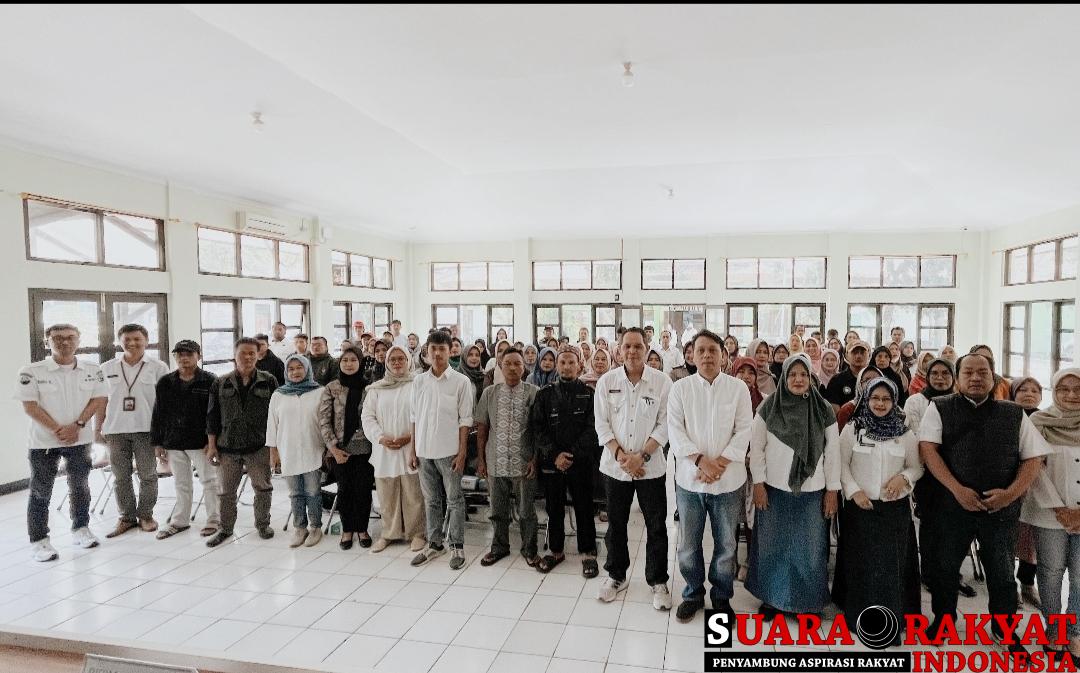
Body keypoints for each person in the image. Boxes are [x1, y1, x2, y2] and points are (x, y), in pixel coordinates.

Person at [918, 353, 1051, 645]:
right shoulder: (939, 406)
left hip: (1000, 509)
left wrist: (1010, 494)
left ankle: (1003, 628)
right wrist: (956, 489)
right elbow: (928, 450)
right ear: (957, 378)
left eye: (982, 372)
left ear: (993, 378)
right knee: (945, 568)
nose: (976, 378)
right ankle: (943, 621)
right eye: (968, 372)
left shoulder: (1013, 413)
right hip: (952, 505)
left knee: (1002, 573)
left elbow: (1033, 458)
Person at [747, 354, 840, 620]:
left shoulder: (823, 409)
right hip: (774, 489)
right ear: (784, 378)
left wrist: (832, 490)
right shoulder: (769, 407)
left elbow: (833, 452)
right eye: (792, 375)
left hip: (812, 491)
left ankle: (807, 604)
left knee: (809, 549)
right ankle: (772, 599)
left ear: (811, 378)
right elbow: (757, 449)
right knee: (772, 545)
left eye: (803, 375)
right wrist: (758, 484)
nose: (798, 379)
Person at [668, 331, 753, 622]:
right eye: (700, 350)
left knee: (726, 545)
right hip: (690, 481)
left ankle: (721, 597)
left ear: (723, 356)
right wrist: (702, 462)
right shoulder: (680, 389)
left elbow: (744, 430)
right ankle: (692, 594)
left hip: (728, 481)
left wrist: (720, 463)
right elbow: (675, 431)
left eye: (712, 350)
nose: (706, 355)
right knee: (688, 545)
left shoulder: (738, 388)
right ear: (691, 356)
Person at [834, 377, 922, 638]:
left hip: (894, 511)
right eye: (875, 398)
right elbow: (841, 464)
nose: (880, 403)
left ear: (894, 402)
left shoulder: (904, 433)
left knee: (891, 567)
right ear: (866, 399)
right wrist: (854, 491)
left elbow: (916, 467)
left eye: (886, 399)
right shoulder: (853, 429)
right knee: (863, 564)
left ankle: (892, 617)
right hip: (860, 508)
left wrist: (903, 478)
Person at [594, 328, 673, 610]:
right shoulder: (607, 382)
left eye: (638, 346)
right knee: (616, 523)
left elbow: (665, 425)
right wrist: (622, 456)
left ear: (647, 348)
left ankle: (658, 580)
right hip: (615, 468)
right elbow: (601, 424)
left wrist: (641, 456)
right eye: (626, 346)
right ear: (618, 350)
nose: (632, 351)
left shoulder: (662, 382)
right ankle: (616, 575)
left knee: (656, 525)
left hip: (650, 468)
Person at [16, 323, 108, 561]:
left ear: (78, 341)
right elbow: (30, 406)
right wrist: (59, 429)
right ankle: (39, 541)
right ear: (47, 342)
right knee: (41, 491)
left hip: (80, 439)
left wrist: (77, 425)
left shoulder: (92, 369)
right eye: (57, 338)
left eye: (70, 337)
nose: (64, 342)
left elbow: (98, 399)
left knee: (80, 486)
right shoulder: (32, 371)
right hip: (44, 442)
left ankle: (81, 528)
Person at [1024, 369, 1080, 658]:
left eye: (1078, 389)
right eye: (1063, 389)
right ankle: (1054, 629)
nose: (1071, 395)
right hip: (1049, 512)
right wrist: (1061, 510)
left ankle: (1075, 632)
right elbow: (1034, 471)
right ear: (1054, 391)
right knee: (1051, 571)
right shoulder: (1039, 422)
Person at [97, 323, 171, 537]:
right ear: (119, 342)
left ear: (146, 341)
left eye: (137, 339)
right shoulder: (107, 368)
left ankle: (146, 515)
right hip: (115, 430)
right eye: (127, 339)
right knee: (121, 477)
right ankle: (126, 517)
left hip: (147, 430)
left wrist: (163, 434)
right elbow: (100, 401)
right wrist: (97, 429)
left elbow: (165, 403)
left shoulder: (158, 367)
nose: (132, 343)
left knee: (148, 475)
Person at [409, 331, 475, 570]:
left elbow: (465, 420)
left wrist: (462, 452)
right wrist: (412, 450)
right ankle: (435, 544)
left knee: (454, 500)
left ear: (450, 351)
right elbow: (414, 417)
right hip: (424, 451)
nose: (437, 353)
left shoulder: (461, 381)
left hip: (450, 452)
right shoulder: (418, 381)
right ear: (426, 351)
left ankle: (456, 545)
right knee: (431, 501)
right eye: (433, 349)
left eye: (442, 349)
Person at [532, 348, 600, 577]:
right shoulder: (545, 394)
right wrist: (555, 455)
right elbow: (538, 429)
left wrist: (571, 455)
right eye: (562, 362)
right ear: (556, 366)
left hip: (580, 462)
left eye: (571, 362)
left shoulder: (589, 394)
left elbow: (593, 428)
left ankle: (588, 552)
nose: (567, 366)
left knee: (584, 507)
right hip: (553, 462)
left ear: (579, 365)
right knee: (554, 508)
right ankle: (556, 551)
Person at [205, 337, 279, 547]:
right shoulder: (221, 382)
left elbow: (277, 415)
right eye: (243, 353)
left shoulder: (269, 380)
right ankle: (226, 529)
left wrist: (275, 448)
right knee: (226, 492)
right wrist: (212, 446)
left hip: (259, 445)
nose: (247, 357)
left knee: (262, 488)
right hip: (228, 447)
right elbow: (212, 416)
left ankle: (263, 524)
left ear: (258, 356)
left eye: (251, 353)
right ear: (234, 356)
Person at [475, 348, 540, 567]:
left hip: (524, 463)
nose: (512, 368)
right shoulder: (490, 393)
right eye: (507, 364)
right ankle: (499, 547)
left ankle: (529, 549)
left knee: (526, 511)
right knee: (497, 510)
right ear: (500, 367)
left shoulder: (534, 393)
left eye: (517, 364)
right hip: (496, 460)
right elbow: (482, 429)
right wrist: (482, 460)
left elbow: (539, 431)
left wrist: (535, 459)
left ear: (524, 367)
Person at [151, 340, 220, 539]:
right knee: (181, 483)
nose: (184, 358)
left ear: (198, 356)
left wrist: (213, 442)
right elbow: (158, 413)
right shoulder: (166, 382)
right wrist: (157, 442)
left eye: (189, 354)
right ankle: (180, 521)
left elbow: (215, 414)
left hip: (201, 442)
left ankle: (214, 519)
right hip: (173, 440)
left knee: (209, 481)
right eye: (180, 354)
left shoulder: (209, 380)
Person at [362, 345, 425, 553]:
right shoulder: (376, 389)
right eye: (392, 360)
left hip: (411, 447)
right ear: (386, 363)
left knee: (413, 493)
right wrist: (380, 438)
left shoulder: (418, 384)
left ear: (409, 361)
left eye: (401, 358)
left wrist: (410, 437)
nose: (397, 363)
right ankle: (389, 533)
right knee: (387, 495)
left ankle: (417, 533)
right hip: (385, 450)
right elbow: (367, 417)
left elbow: (424, 415)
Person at [320, 346, 377, 550]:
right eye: (345, 360)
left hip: (365, 448)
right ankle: (347, 529)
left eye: (353, 360)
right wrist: (333, 448)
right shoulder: (332, 387)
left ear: (360, 362)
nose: (349, 364)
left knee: (363, 489)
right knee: (345, 490)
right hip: (340, 449)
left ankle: (362, 529)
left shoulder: (369, 387)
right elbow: (324, 420)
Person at [267, 355, 325, 548]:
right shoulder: (278, 395)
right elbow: (272, 426)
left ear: (307, 369)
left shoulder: (319, 392)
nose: (295, 372)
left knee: (313, 491)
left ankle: (315, 527)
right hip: (288, 451)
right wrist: (273, 452)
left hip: (313, 449)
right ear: (286, 372)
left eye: (299, 367)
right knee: (295, 492)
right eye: (291, 369)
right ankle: (300, 528)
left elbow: (326, 422)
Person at [1010, 376, 1045, 610]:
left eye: (1034, 390)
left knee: (1031, 539)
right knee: (1007, 538)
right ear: (1013, 394)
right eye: (1023, 389)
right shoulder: (1004, 416)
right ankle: (1008, 585)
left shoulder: (1047, 420)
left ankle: (1027, 584)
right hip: (1009, 486)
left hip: (1038, 488)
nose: (1029, 394)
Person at [836, 367, 884, 432]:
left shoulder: (890, 407)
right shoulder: (848, 409)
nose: (872, 383)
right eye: (867, 380)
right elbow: (840, 436)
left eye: (877, 379)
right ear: (860, 384)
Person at [824, 341, 870, 409]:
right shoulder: (837, 380)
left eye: (862, 352)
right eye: (854, 352)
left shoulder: (875, 378)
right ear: (846, 355)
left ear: (869, 355)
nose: (858, 356)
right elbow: (834, 409)